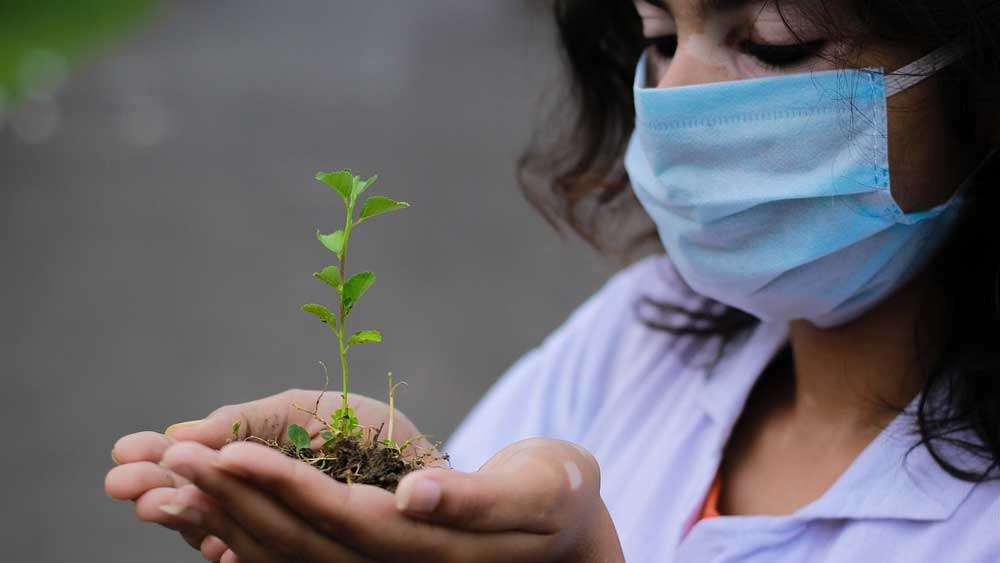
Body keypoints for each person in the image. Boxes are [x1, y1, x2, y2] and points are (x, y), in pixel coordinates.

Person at [104, 0, 1000, 561]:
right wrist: (412, 500)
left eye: (775, 42)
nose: (675, 96)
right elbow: (459, 502)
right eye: (659, 34)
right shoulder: (643, 332)